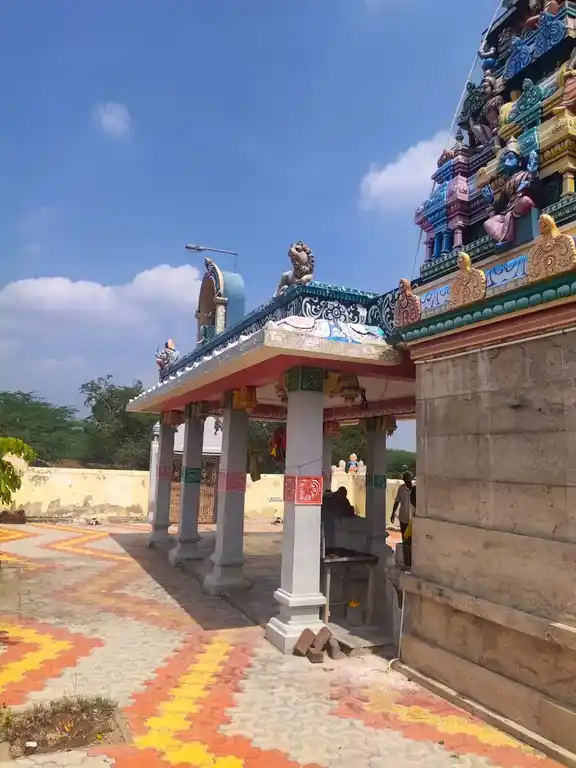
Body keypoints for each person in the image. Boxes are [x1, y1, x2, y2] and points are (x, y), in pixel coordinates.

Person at [391, 471, 413, 538]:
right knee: (404, 536)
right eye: (406, 481)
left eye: (409, 481)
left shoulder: (415, 488)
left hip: (413, 518)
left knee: (412, 537)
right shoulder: (401, 488)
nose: (407, 483)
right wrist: (393, 513)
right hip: (403, 517)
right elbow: (397, 501)